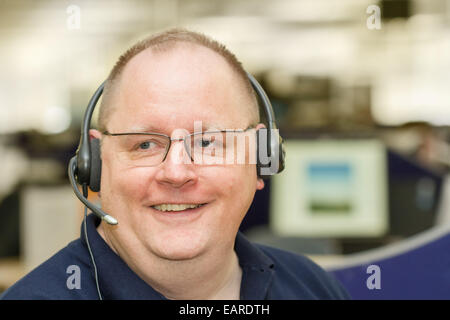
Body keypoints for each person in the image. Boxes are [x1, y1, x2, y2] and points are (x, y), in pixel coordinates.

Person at [1, 28, 350, 300]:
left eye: (208, 142)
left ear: (261, 158)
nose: (176, 172)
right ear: (96, 165)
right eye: (145, 144)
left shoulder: (312, 287)